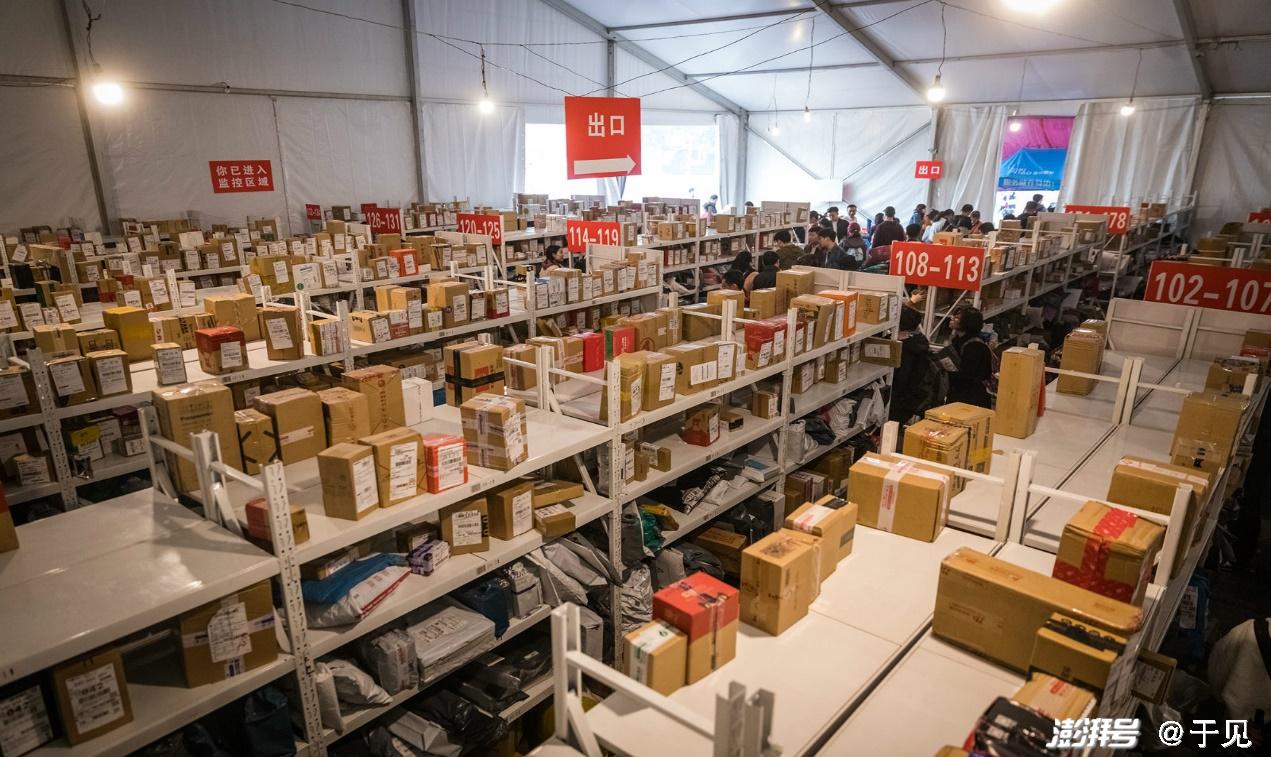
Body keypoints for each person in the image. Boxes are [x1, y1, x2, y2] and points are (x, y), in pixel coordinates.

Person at [942, 306, 994, 408]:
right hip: (957, 392)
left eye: (957, 318)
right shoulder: (957, 340)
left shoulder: (975, 347)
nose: (952, 318)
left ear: (968, 322)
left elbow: (968, 375)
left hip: (972, 398)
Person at [890, 305, 932, 426]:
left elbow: (901, 378)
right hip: (912, 398)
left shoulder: (904, 349)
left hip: (899, 400)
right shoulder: (920, 340)